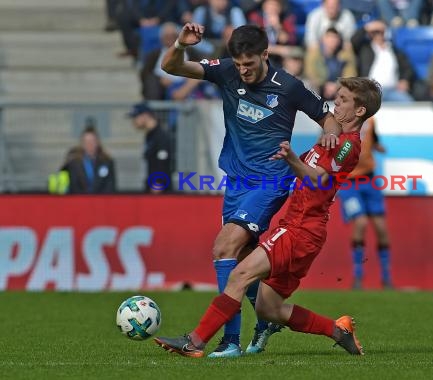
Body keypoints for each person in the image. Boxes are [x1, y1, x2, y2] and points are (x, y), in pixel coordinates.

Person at [154, 77, 382, 358]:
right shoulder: (331, 140)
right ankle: (338, 331)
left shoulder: (349, 145)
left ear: (360, 111)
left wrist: (292, 159)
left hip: (301, 230)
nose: (336, 102)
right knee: (268, 308)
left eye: (344, 99)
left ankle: (196, 341)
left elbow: (318, 179)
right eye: (338, 96)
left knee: (239, 275)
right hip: (301, 230)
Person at [161, 23, 342, 357]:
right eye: (239, 64)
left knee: (223, 246)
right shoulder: (226, 71)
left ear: (265, 55)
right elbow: (171, 66)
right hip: (236, 180)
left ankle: (229, 342)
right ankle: (268, 316)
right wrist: (181, 45)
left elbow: (327, 116)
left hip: (270, 181)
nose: (243, 70)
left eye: (250, 64)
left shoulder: (287, 86)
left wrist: (330, 135)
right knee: (241, 260)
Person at [337, 117, 392, 290]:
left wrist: (377, 147)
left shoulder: (371, 120)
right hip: (348, 182)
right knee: (360, 223)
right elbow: (323, 144)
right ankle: (358, 277)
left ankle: (386, 279)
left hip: (369, 179)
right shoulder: (337, 120)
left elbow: (373, 140)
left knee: (381, 229)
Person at [128, 103, 172, 193]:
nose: (134, 121)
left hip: (160, 189)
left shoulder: (160, 136)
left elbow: (162, 163)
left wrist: (158, 183)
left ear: (145, 116)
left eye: (135, 117)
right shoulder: (150, 135)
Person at [65, 125, 116, 194]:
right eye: (86, 141)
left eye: (92, 141)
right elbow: (73, 187)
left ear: (97, 142)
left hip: (102, 202)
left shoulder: (107, 162)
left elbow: (110, 187)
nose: (89, 144)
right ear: (82, 143)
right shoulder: (74, 163)